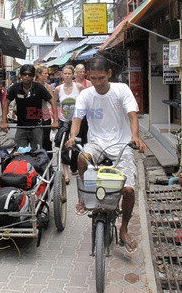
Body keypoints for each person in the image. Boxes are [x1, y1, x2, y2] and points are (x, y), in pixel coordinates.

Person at [65, 56, 147, 254]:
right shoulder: (86, 95)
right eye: (93, 78)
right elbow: (77, 118)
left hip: (121, 145)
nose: (98, 83)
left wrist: (135, 136)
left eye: (101, 78)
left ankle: (124, 229)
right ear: (87, 76)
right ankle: (84, 198)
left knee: (128, 191)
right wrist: (73, 136)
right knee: (82, 158)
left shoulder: (121, 90)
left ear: (109, 74)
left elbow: (132, 116)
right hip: (97, 143)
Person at [1, 64, 58, 150]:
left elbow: (52, 102)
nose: (27, 76)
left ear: (33, 76)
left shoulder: (39, 87)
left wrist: (55, 121)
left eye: (30, 74)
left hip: (37, 126)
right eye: (24, 74)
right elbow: (6, 103)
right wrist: (3, 122)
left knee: (37, 153)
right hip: (21, 126)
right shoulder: (15, 88)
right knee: (19, 154)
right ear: (20, 75)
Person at [54, 65, 84, 184]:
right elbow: (54, 103)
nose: (67, 75)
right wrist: (55, 119)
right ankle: (66, 173)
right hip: (63, 121)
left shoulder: (79, 87)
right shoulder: (58, 89)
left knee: (77, 146)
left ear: (73, 75)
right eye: (65, 73)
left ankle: (75, 166)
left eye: (69, 73)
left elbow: (85, 102)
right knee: (64, 147)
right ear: (62, 75)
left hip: (77, 120)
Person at [70, 63, 92, 175]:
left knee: (86, 140)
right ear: (76, 73)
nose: (82, 74)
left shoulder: (89, 84)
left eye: (84, 71)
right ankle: (74, 166)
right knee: (76, 139)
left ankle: (87, 164)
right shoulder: (72, 84)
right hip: (75, 114)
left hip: (87, 115)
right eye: (80, 71)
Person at [35, 65, 55, 156]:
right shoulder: (32, 85)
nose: (47, 75)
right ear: (38, 74)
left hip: (45, 116)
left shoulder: (48, 86)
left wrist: (55, 119)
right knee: (35, 141)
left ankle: (48, 163)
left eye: (48, 73)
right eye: (45, 73)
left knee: (46, 141)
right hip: (33, 116)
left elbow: (52, 102)